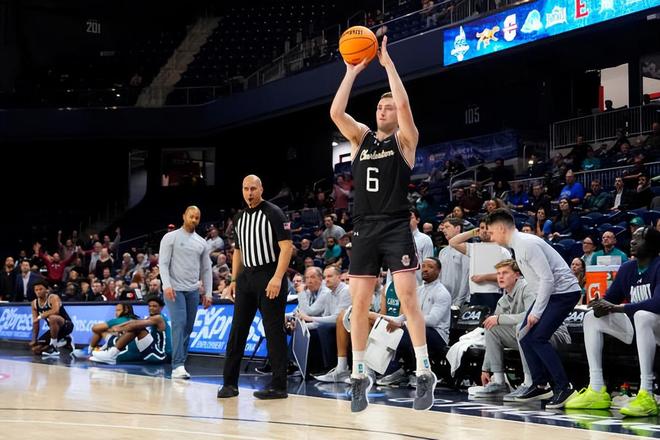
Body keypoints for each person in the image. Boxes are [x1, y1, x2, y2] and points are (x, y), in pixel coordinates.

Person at [329, 35, 436, 412]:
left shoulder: (405, 141)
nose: (384, 110)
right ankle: (359, 374)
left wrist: (388, 65)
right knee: (358, 303)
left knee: (408, 298)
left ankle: (424, 370)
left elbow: (404, 104)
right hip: (364, 227)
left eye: (388, 107)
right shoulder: (361, 138)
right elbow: (336, 113)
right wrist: (351, 72)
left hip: (394, 227)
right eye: (379, 106)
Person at [486, 209, 581, 408]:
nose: (491, 237)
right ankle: (540, 384)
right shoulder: (518, 246)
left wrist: (536, 312)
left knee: (537, 337)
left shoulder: (526, 244)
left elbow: (547, 279)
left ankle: (564, 387)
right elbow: (540, 282)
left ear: (501, 228)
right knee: (523, 334)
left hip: (564, 293)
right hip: (550, 294)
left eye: (492, 232)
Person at [565, 227, 660, 417]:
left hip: (656, 326)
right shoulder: (627, 268)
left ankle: (647, 393)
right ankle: (596, 389)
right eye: (632, 237)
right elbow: (611, 300)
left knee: (642, 315)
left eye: (639, 238)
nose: (633, 241)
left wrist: (617, 308)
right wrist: (599, 305)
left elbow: (657, 303)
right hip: (637, 327)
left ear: (652, 244)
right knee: (592, 317)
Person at [218, 175, 294, 400]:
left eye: (253, 188)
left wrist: (278, 277)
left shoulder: (274, 212)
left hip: (269, 275)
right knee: (237, 330)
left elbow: (287, 247)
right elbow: (238, 251)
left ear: (261, 189)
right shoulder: (239, 217)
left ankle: (279, 386)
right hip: (246, 279)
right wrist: (233, 281)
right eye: (245, 189)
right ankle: (229, 384)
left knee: (273, 331)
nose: (249, 193)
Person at [470, 259, 570, 400]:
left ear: (517, 275)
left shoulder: (527, 288)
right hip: (529, 337)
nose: (500, 277)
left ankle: (530, 383)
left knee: (522, 327)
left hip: (554, 334)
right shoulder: (503, 300)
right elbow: (494, 326)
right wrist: (486, 368)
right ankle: (499, 382)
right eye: (498, 273)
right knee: (491, 329)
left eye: (505, 273)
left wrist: (500, 318)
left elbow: (532, 316)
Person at [377, 257, 451, 387]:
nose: (425, 269)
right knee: (389, 328)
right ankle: (398, 369)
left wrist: (404, 324)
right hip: (419, 329)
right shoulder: (418, 290)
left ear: (439, 271)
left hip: (438, 335)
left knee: (409, 330)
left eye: (430, 267)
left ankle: (415, 371)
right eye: (424, 266)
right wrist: (393, 321)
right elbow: (408, 314)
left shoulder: (442, 293)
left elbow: (432, 321)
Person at [158, 206, 213, 379]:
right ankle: (178, 365)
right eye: (191, 216)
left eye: (197, 217)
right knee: (179, 324)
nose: (194, 220)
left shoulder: (201, 242)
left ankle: (180, 362)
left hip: (193, 291)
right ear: (184, 216)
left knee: (188, 327)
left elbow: (206, 269)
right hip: (174, 289)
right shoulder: (170, 237)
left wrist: (208, 293)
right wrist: (166, 285)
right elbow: (163, 263)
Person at [448, 219, 511, 311]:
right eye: (482, 228)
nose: (484, 230)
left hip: (494, 294)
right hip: (474, 295)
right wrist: (473, 232)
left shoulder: (503, 251)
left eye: (487, 228)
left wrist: (484, 277)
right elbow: (453, 242)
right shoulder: (473, 248)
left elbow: (508, 276)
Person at [90, 296, 172, 364]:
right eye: (150, 306)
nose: (151, 308)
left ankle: (110, 354)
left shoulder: (158, 318)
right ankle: (109, 353)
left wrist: (118, 328)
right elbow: (134, 322)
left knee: (137, 329)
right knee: (136, 328)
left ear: (161, 308)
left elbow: (135, 325)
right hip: (153, 352)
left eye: (154, 306)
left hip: (162, 355)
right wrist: (119, 327)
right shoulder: (151, 318)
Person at [72, 302, 139, 359]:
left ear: (126, 310)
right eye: (115, 310)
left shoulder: (119, 320)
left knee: (100, 330)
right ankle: (101, 350)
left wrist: (109, 329)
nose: (116, 313)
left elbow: (94, 328)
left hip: (122, 346)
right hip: (134, 348)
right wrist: (112, 330)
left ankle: (89, 351)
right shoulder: (136, 320)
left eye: (118, 310)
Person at [30, 280, 75, 357]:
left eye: (40, 289)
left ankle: (53, 346)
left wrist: (41, 316)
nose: (38, 292)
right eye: (36, 290)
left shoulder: (53, 297)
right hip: (54, 330)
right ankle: (66, 341)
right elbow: (35, 322)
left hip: (66, 325)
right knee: (36, 350)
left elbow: (55, 310)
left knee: (52, 317)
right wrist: (34, 339)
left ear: (46, 290)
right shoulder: (34, 303)